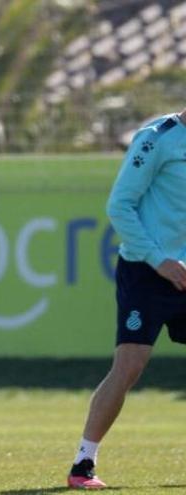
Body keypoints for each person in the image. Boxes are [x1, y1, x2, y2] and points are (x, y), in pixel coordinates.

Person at [66, 113, 186, 489]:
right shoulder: (156, 138)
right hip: (147, 271)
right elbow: (120, 206)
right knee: (129, 367)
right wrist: (159, 260)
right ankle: (83, 463)